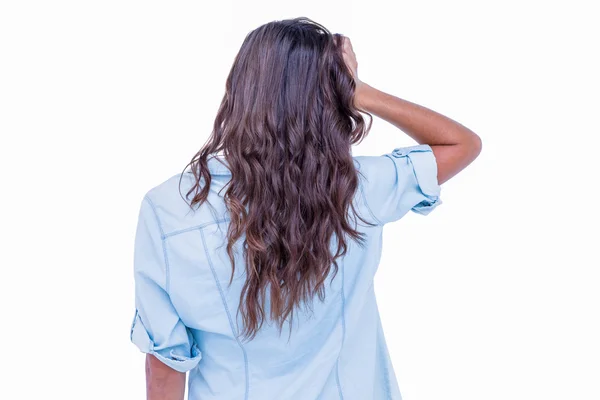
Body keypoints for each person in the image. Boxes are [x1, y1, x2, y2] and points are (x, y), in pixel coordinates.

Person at [130, 16, 482, 400]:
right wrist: (362, 92)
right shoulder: (358, 189)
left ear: (238, 91)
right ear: (331, 97)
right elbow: (461, 144)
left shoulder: (168, 210)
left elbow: (166, 361)